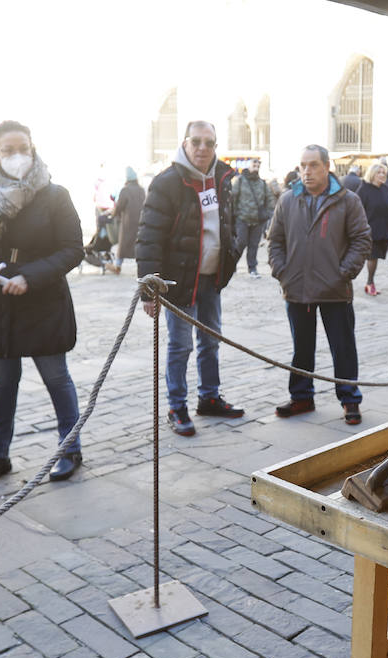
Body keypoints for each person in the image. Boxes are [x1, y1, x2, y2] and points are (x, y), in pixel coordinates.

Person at [0, 120, 84, 486]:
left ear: (33, 148)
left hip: (42, 301)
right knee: (3, 382)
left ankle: (69, 448)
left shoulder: (54, 194)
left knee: (56, 377)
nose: (17, 156)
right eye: (8, 150)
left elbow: (73, 248)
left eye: (22, 148)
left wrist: (31, 275)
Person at [135, 120, 245, 437]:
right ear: (185, 144)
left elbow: (228, 221)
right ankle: (177, 406)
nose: (202, 148)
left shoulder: (223, 178)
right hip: (179, 280)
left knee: (211, 341)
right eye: (195, 142)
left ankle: (209, 396)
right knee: (180, 346)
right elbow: (149, 237)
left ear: (215, 147)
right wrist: (148, 289)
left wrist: (232, 254)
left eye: (209, 143)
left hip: (212, 278)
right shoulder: (167, 182)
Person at [268, 144, 371, 426]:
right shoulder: (288, 199)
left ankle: (350, 399)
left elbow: (362, 239)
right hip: (297, 288)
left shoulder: (347, 200)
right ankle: (302, 396)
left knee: (343, 347)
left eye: (313, 165)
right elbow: (275, 240)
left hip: (334, 290)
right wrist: (282, 271)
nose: (307, 171)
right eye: (303, 165)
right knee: (301, 347)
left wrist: (343, 273)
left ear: (327, 167)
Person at [355, 163, 388, 296]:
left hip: (383, 229)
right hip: (368, 229)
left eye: (383, 173)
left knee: (375, 257)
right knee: (372, 256)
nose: (382, 175)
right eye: (379, 173)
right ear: (372, 174)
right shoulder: (364, 189)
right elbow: (356, 210)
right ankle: (369, 283)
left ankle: (370, 282)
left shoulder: (386, 189)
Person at [232, 163, 273, 279]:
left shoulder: (262, 183)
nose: (256, 168)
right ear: (249, 167)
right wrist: (233, 215)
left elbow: (269, 199)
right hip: (242, 218)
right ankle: (232, 265)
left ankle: (252, 268)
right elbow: (233, 198)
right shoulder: (239, 181)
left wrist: (269, 213)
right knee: (240, 243)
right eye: (254, 165)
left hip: (257, 220)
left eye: (258, 166)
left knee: (254, 245)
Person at [112, 167, 145, 270]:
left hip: (128, 222)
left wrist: (114, 214)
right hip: (141, 221)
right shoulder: (141, 190)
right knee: (138, 245)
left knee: (123, 246)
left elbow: (119, 206)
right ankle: (141, 265)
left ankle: (118, 265)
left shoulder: (125, 190)